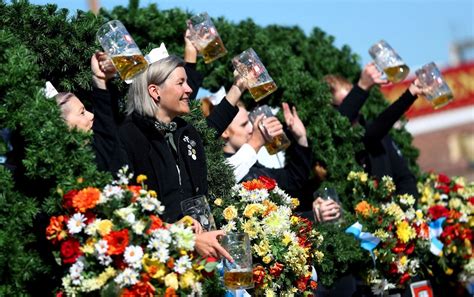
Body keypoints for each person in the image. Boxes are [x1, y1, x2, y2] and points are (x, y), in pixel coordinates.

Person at [114, 55, 247, 260]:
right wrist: (182, 236)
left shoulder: (185, 130)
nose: (190, 89)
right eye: (180, 83)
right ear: (154, 91)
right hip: (158, 258)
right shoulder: (129, 136)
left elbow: (211, 131)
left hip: (200, 253)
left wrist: (238, 87)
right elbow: (127, 212)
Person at [324, 62, 425, 198]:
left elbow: (405, 178)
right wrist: (363, 86)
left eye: (354, 96)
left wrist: (405, 213)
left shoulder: (379, 134)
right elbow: (365, 132)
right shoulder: (333, 144)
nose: (355, 105)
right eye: (347, 101)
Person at [221, 101, 313, 194]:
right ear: (224, 132)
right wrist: (256, 142)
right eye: (244, 125)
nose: (251, 129)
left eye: (249, 122)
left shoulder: (252, 164)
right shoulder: (219, 168)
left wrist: (301, 138)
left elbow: (292, 180)